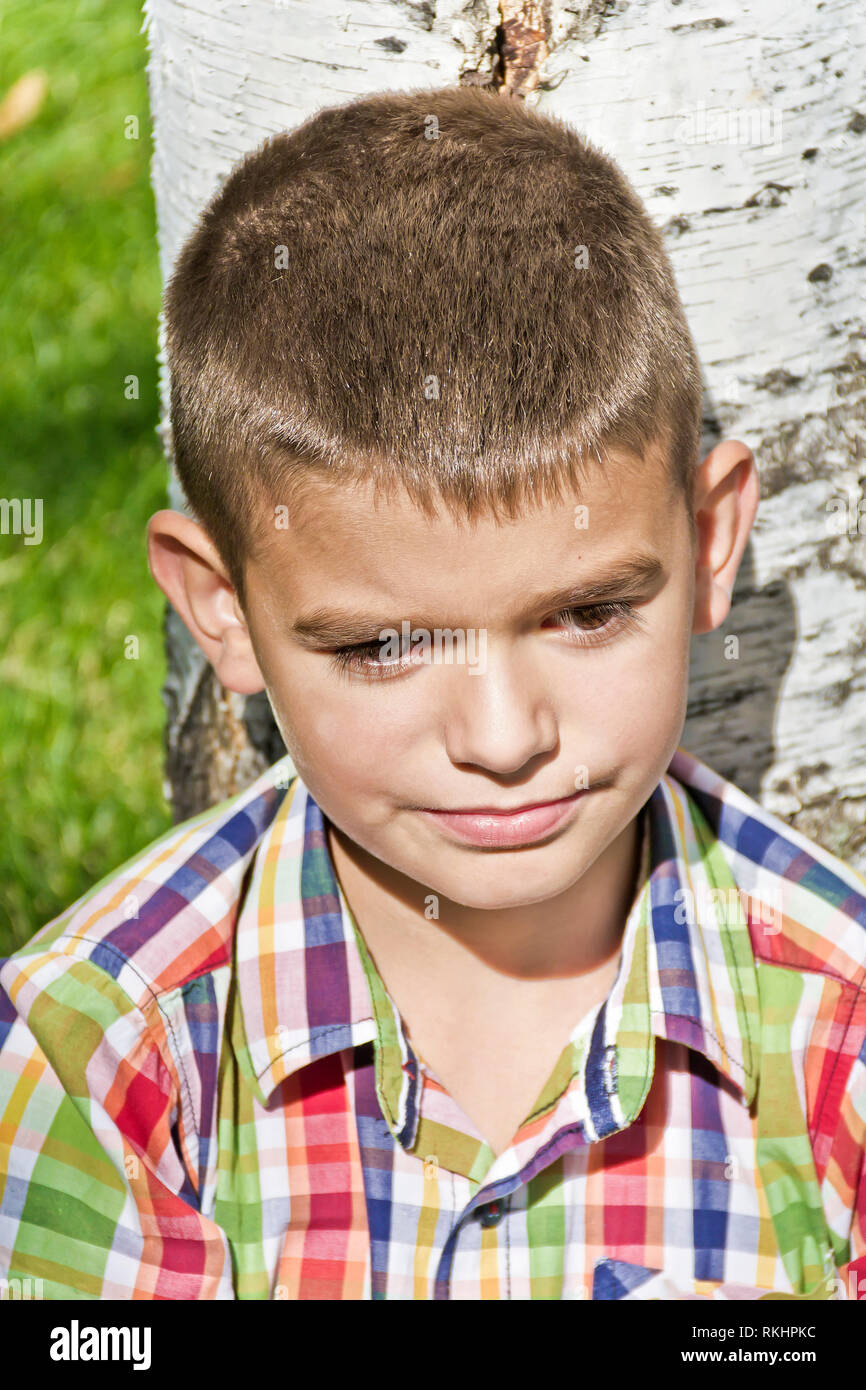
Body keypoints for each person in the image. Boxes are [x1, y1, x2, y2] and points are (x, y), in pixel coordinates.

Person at [1, 84, 864, 1302]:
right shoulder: (100, 1059)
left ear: (711, 539)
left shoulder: (837, 1035)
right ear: (220, 610)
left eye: (586, 613)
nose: (504, 738)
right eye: (382, 646)